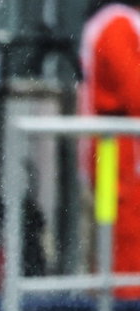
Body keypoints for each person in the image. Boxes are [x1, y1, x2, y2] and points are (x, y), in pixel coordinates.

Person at [82, 2, 140, 295]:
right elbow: (135, 92)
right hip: (112, 154)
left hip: (119, 151)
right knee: (121, 239)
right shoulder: (117, 22)